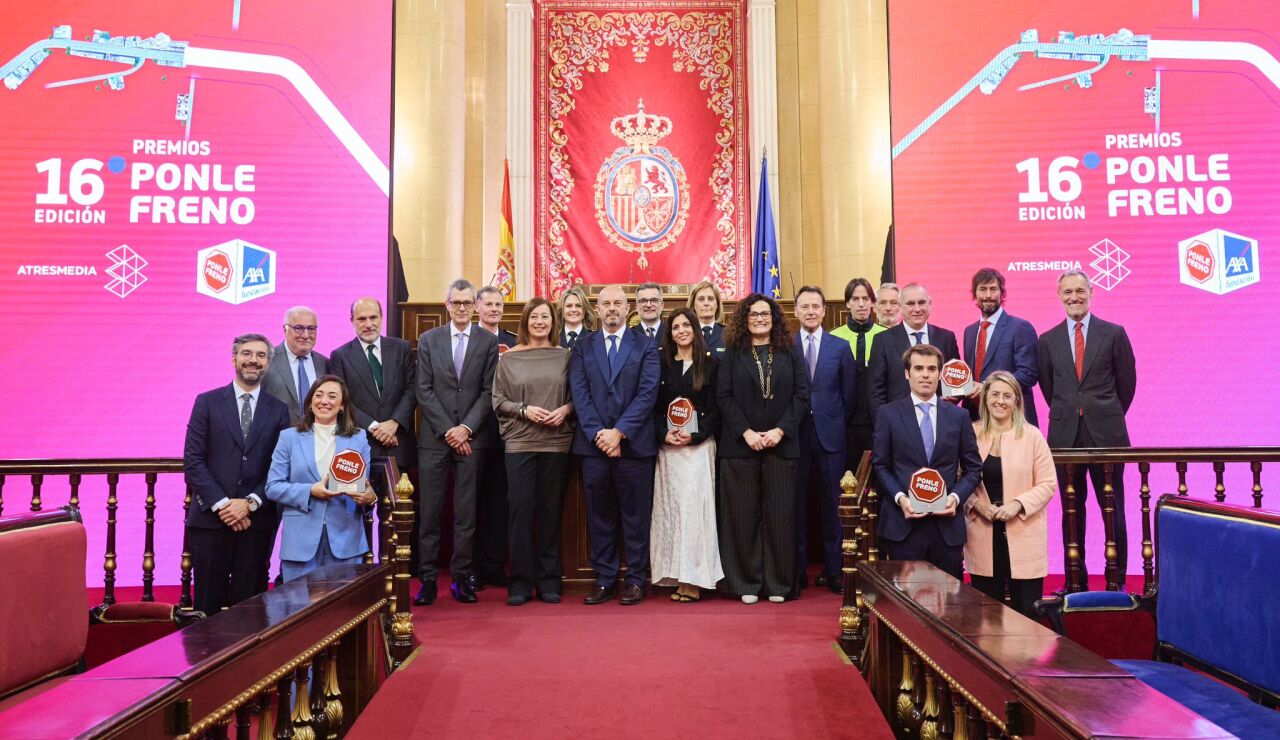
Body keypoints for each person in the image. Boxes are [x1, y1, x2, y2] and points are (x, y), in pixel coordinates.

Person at [1038, 269, 1137, 586]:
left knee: (1113, 508)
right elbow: (1048, 386)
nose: (1074, 297)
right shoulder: (1048, 340)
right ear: (1059, 296)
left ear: (1091, 293)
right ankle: (1074, 579)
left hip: (1107, 436)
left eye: (1079, 291)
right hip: (1065, 437)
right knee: (1071, 511)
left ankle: (1116, 578)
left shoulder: (1114, 333)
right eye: (1067, 292)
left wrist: (1104, 413)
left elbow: (1127, 384)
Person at [183, 333, 291, 615]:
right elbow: (193, 460)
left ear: (268, 362)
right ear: (234, 358)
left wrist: (249, 503)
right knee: (206, 607)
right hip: (210, 521)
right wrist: (224, 505)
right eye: (246, 353)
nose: (253, 360)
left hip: (255, 522)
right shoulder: (206, 402)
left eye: (260, 355)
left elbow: (279, 466)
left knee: (251, 609)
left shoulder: (279, 411)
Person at [569, 285, 660, 605]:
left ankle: (635, 579)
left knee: (635, 517)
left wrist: (619, 433)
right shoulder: (583, 346)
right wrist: (601, 435)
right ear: (597, 309)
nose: (612, 308)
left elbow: (648, 393)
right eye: (605, 303)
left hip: (634, 447)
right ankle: (605, 579)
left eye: (618, 303)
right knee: (600, 516)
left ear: (627, 308)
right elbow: (579, 393)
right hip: (594, 447)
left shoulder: (646, 345)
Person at [716, 295, 809, 603]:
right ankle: (746, 583)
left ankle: (779, 584)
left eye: (765, 314)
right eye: (753, 314)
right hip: (740, 447)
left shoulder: (790, 352)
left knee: (780, 516)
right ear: (745, 318)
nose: (759, 318)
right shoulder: (732, 353)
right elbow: (724, 397)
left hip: (781, 446)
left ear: (774, 318)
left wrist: (780, 431)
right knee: (742, 517)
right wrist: (746, 433)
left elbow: (801, 395)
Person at [415, 279, 500, 605]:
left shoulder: (486, 341)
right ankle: (428, 581)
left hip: (471, 439)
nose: (462, 308)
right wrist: (450, 431)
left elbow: (488, 390)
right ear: (447, 305)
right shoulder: (429, 339)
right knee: (431, 515)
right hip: (436, 440)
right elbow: (424, 389)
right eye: (457, 303)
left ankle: (462, 579)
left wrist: (465, 429)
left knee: (466, 515)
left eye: (468, 302)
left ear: (475, 305)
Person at [872, 343, 982, 579]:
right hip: (903, 525)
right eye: (919, 368)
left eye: (931, 369)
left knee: (949, 605)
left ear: (940, 374)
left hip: (947, 527)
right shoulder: (888, 414)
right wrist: (901, 499)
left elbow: (973, 469)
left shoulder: (959, 416)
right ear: (907, 373)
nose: (925, 374)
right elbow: (881, 466)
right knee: (906, 608)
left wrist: (955, 498)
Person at [491, 298, 575, 605]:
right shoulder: (508, 358)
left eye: (546, 317)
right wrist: (524, 410)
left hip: (556, 442)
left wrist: (566, 409)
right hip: (520, 443)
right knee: (521, 512)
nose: (540, 321)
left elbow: (578, 395)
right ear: (525, 321)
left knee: (551, 512)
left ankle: (549, 581)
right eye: (535, 316)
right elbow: (498, 401)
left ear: (554, 322)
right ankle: (520, 583)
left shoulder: (565, 356)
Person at [266, 375, 377, 581]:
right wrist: (310, 490)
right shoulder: (289, 437)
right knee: (301, 608)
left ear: (342, 405)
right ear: (310, 402)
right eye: (318, 395)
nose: (324, 401)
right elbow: (273, 487)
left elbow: (363, 485)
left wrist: (369, 496)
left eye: (332, 396)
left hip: (346, 539)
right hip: (300, 540)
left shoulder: (358, 437)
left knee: (344, 610)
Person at [964, 371, 1057, 617]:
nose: (1000, 401)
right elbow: (959, 481)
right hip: (982, 532)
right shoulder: (970, 434)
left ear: (1017, 401)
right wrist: (977, 505)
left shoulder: (1032, 435)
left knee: (1027, 614)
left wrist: (1017, 504)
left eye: (1007, 395)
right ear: (984, 399)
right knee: (986, 617)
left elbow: (1048, 483)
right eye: (994, 394)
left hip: (1023, 532)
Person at [651, 308, 723, 602]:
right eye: (675, 327)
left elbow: (718, 408)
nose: (681, 330)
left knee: (695, 511)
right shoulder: (662, 365)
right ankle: (675, 574)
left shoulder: (711, 365)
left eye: (685, 325)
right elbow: (654, 407)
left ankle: (694, 578)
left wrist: (695, 435)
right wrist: (663, 434)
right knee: (671, 511)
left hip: (697, 449)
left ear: (695, 328)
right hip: (669, 450)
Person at [792, 286, 858, 593]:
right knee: (797, 506)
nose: (810, 311)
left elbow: (850, 395)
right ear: (796, 311)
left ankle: (834, 571)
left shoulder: (840, 346)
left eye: (815, 306)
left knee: (833, 506)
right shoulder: (787, 346)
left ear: (823, 310)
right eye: (804, 307)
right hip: (795, 437)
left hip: (832, 438)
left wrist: (834, 422)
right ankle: (797, 572)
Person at [328, 298, 417, 473]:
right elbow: (342, 399)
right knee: (359, 500)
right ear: (352, 321)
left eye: (373, 317)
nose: (368, 324)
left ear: (381, 318)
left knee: (400, 500)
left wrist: (394, 423)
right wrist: (375, 427)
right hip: (358, 446)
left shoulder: (402, 348)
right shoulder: (340, 356)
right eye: (362, 319)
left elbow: (412, 389)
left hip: (398, 443)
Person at [474, 285, 517, 588]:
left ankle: (493, 564)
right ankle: (472, 567)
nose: (493, 309)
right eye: (488, 304)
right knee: (473, 503)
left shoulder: (513, 343)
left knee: (501, 502)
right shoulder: (469, 341)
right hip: (474, 433)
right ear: (477, 307)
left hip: (507, 433)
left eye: (498, 304)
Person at [867, 283, 959, 420]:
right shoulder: (883, 340)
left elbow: (957, 381)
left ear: (930, 304)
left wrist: (955, 396)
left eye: (922, 302)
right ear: (901, 307)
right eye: (910, 304)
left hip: (939, 423)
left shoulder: (947, 338)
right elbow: (875, 391)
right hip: (898, 423)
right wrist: (885, 425)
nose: (917, 309)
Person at [962, 268, 1039, 426]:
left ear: (1002, 293)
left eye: (993, 289)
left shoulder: (1020, 327)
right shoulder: (969, 332)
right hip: (976, 419)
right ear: (975, 294)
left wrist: (986, 387)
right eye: (983, 289)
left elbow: (1028, 374)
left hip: (1012, 418)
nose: (988, 295)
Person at [830, 278, 886, 477]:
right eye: (855, 298)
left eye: (866, 298)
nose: (861, 304)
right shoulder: (833, 338)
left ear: (873, 302)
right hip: (844, 424)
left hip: (878, 422)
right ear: (847, 303)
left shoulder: (886, 336)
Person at [263, 306, 329, 422]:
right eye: (298, 328)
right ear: (285, 329)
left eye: (311, 329)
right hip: (277, 437)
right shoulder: (266, 360)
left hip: (319, 436)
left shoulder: (326, 363)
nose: (305, 335)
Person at [687, 280, 727, 354]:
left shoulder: (728, 334)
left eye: (710, 299)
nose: (706, 303)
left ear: (717, 304)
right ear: (693, 305)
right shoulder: (686, 333)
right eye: (701, 299)